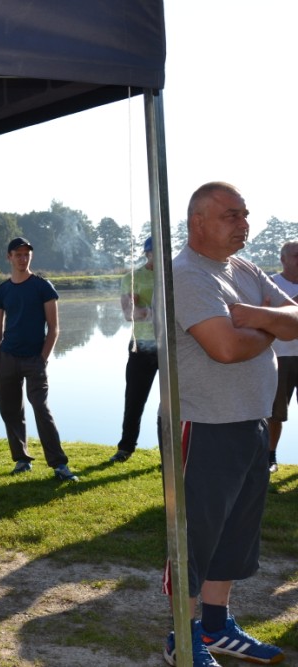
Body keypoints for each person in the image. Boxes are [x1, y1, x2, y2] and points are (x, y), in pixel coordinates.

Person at [162, 182, 298, 667]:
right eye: (232, 215)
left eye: (245, 214)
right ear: (198, 222)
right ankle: (184, 639)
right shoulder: (186, 275)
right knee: (195, 537)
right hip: (204, 425)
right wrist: (271, 327)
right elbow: (224, 348)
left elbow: (296, 316)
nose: (244, 224)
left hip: (251, 421)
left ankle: (217, 627)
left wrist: (257, 317)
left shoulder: (243, 268)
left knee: (234, 535)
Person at [0, 237, 77, 481]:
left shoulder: (43, 287)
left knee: (41, 407)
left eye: (26, 254)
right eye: (18, 254)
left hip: (34, 360)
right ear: (9, 257)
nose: (23, 258)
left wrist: (42, 359)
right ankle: (22, 460)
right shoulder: (2, 291)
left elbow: (54, 328)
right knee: (10, 412)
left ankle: (59, 465)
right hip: (7, 359)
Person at [111, 237, 159, 462]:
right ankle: (126, 448)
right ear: (147, 253)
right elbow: (130, 314)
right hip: (141, 346)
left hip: (173, 346)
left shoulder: (176, 276)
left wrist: (146, 309)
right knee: (134, 400)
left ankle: (173, 450)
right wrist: (153, 312)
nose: (159, 256)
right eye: (155, 252)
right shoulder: (132, 278)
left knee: (175, 403)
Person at [267, 240, 298, 473]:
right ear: (283, 259)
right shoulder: (271, 284)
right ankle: (270, 457)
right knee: (275, 412)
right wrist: (293, 305)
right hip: (279, 357)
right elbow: (264, 316)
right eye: (297, 256)